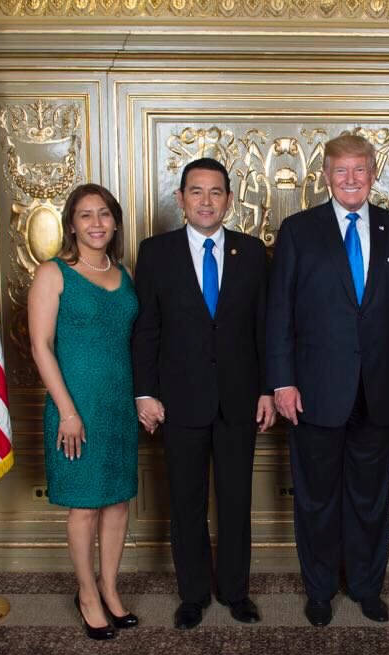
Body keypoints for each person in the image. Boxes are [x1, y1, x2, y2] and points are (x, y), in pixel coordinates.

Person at [266, 134, 389, 627]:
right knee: (316, 497)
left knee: (370, 498)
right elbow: (279, 313)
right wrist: (282, 382)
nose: (351, 179)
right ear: (326, 176)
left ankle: (365, 587)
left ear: (373, 174)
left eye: (360, 170)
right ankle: (319, 591)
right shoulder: (298, 231)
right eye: (341, 170)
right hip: (314, 390)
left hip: (380, 389)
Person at [131, 157, 276, 630]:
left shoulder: (251, 252)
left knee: (235, 501)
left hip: (239, 398)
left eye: (216, 192)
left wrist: (267, 390)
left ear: (229, 200)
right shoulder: (156, 253)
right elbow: (146, 329)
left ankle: (235, 592)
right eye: (196, 191)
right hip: (179, 400)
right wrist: (145, 392)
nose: (206, 201)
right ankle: (192, 595)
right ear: (181, 199)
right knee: (186, 503)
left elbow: (264, 328)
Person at [28, 183, 140, 640]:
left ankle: (110, 588)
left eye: (104, 214)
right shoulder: (53, 273)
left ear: (115, 222)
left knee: (117, 502)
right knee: (85, 506)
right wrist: (67, 412)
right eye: (85, 215)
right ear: (71, 225)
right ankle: (87, 593)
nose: (96, 223)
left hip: (118, 405)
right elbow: (40, 346)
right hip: (75, 406)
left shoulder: (124, 272)